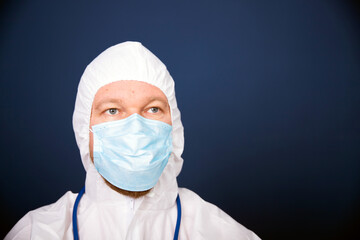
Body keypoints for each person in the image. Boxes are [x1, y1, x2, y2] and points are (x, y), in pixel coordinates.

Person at [5, 41, 260, 239]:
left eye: (153, 109)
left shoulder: (222, 234)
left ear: (175, 127)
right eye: (112, 110)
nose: (136, 129)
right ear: (85, 129)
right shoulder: (36, 232)